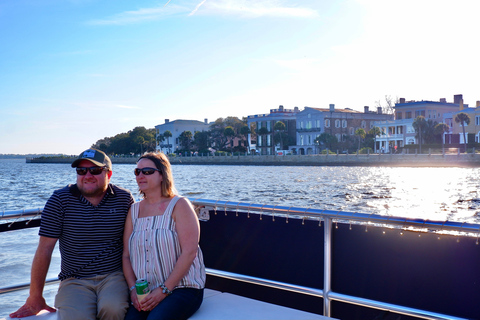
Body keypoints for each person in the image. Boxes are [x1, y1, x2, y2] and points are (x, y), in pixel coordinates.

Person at [10, 148, 134, 320]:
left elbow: (136, 244)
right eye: (81, 170)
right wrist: (35, 296)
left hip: (114, 275)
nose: (87, 175)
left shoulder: (123, 199)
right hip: (74, 279)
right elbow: (44, 249)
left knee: (113, 309)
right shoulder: (60, 200)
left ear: (109, 174)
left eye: (95, 170)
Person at [123, 152, 205, 320]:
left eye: (147, 171)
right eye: (137, 172)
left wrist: (163, 290)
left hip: (182, 289)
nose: (140, 176)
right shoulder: (134, 211)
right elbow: (126, 256)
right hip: (145, 292)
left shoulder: (179, 205)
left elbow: (189, 252)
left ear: (162, 175)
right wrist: (133, 290)